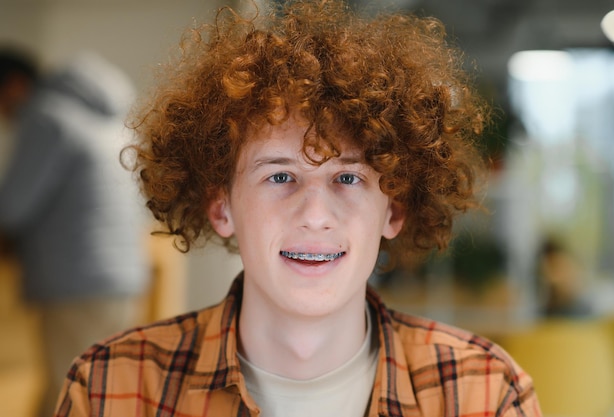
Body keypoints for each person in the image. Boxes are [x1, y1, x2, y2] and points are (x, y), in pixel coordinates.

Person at [53, 1, 542, 416]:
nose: (314, 214)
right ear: (220, 205)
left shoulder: (484, 392)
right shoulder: (109, 389)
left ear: (393, 210)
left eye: (347, 178)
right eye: (280, 176)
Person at [0, 48, 150, 417]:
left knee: (68, 393)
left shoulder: (45, 117)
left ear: (15, 85)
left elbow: (12, 208)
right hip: (124, 276)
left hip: (76, 280)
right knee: (100, 389)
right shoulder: (110, 121)